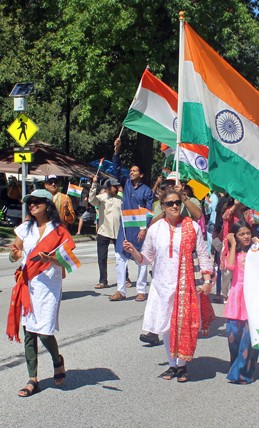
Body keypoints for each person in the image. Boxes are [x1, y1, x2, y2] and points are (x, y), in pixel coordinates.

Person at [123, 190, 213, 382]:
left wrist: (207, 281)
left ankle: (182, 366)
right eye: (170, 203)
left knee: (183, 326)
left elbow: (203, 255)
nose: (175, 206)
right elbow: (146, 259)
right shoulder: (155, 230)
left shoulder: (192, 227)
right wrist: (133, 251)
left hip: (185, 285)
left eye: (177, 202)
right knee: (166, 327)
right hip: (161, 285)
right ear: (162, 207)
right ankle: (172, 365)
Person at [8, 190, 74, 397]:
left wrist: (51, 260)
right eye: (30, 202)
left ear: (47, 205)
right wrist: (14, 255)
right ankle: (32, 379)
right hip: (28, 284)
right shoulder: (24, 229)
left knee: (45, 331)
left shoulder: (59, 230)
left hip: (49, 287)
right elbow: (13, 255)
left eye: (37, 202)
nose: (32, 205)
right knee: (29, 332)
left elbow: (69, 261)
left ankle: (57, 360)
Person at [112, 138, 154, 302]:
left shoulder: (147, 191)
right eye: (130, 170)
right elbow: (116, 169)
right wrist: (117, 150)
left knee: (140, 258)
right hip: (124, 228)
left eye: (134, 171)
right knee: (119, 257)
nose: (131, 172)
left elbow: (149, 212)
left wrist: (145, 229)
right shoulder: (126, 183)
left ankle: (141, 290)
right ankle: (120, 290)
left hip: (139, 229)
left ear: (141, 174)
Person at [224, 221, 259, 384]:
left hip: (253, 297)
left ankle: (244, 373)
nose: (246, 237)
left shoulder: (257, 250)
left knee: (249, 338)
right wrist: (232, 245)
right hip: (237, 297)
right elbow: (230, 265)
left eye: (248, 233)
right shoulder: (235, 252)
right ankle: (235, 367)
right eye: (241, 234)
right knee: (234, 336)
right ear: (235, 237)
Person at [89, 176, 122, 289]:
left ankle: (125, 277)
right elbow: (91, 200)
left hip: (118, 231)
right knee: (102, 257)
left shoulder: (120, 199)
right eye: (114, 186)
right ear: (108, 188)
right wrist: (94, 184)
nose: (116, 188)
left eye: (117, 186)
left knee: (121, 256)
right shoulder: (101, 198)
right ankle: (103, 280)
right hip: (104, 231)